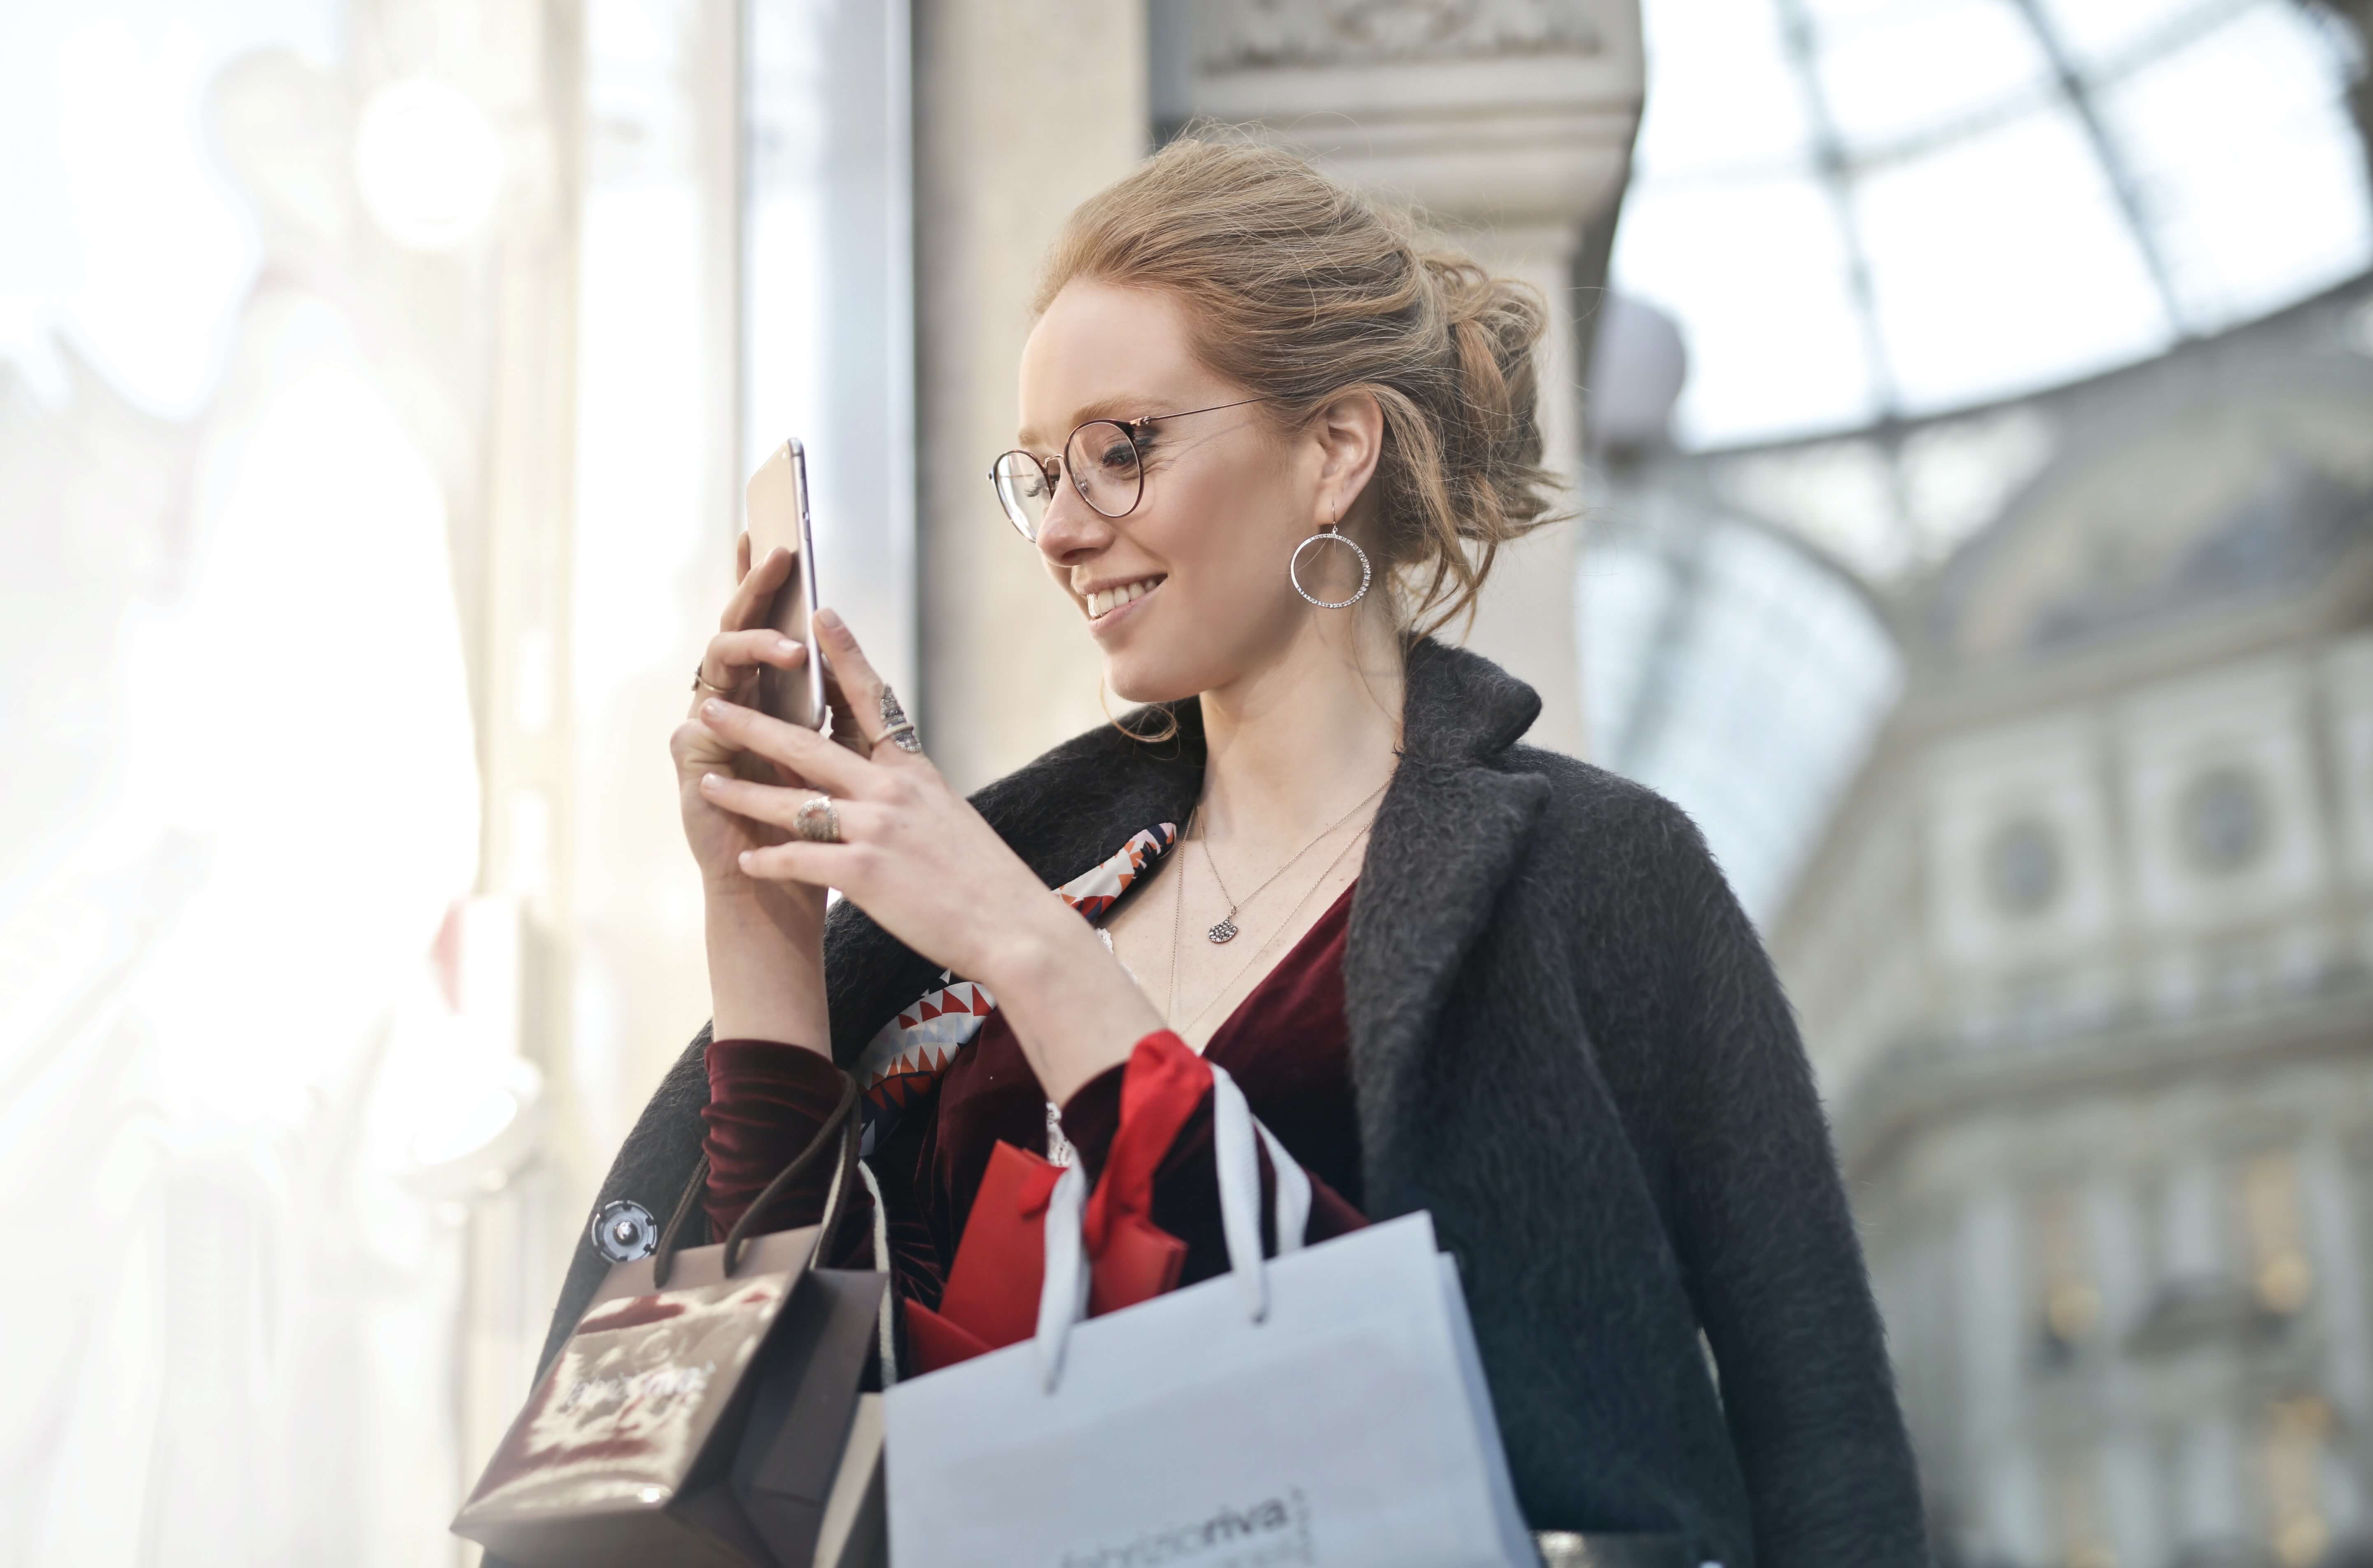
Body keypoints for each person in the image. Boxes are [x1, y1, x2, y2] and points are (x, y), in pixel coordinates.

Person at [538, 138, 1927, 1565]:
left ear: (1332, 451)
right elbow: (776, 1401)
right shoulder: (1031, 875)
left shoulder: (1602, 875)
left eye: (1121, 449)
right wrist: (754, 907)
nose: (1064, 530)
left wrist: (1026, 951)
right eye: (1038, 473)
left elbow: (1823, 1441)